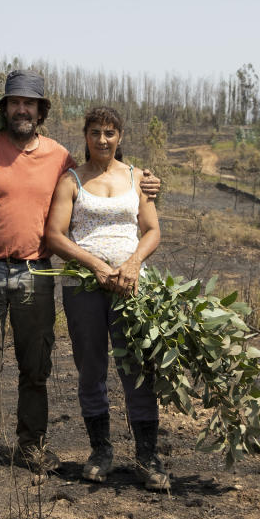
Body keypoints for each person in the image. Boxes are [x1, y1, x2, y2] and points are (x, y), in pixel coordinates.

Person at [0, 71, 159, 480]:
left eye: (30, 103)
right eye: (15, 102)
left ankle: (31, 445)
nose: (22, 109)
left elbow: (100, 178)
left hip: (35, 273)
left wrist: (147, 181)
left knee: (35, 365)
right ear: (5, 108)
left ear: (40, 111)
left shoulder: (60, 159)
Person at [43, 106, 169, 491]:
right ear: (85, 136)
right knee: (91, 367)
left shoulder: (137, 179)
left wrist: (132, 264)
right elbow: (55, 236)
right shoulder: (71, 181)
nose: (102, 139)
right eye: (95, 132)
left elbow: (151, 231)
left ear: (120, 137)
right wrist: (95, 265)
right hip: (83, 286)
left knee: (137, 369)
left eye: (110, 133)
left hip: (132, 287)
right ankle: (100, 451)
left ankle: (147, 457)